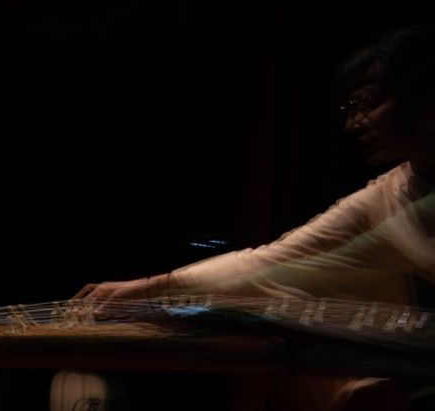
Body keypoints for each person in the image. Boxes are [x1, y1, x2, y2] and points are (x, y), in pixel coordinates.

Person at [79, 25, 435, 307]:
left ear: (420, 96)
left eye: (366, 104)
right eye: (348, 110)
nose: (353, 124)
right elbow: (264, 264)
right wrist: (147, 289)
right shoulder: (387, 199)